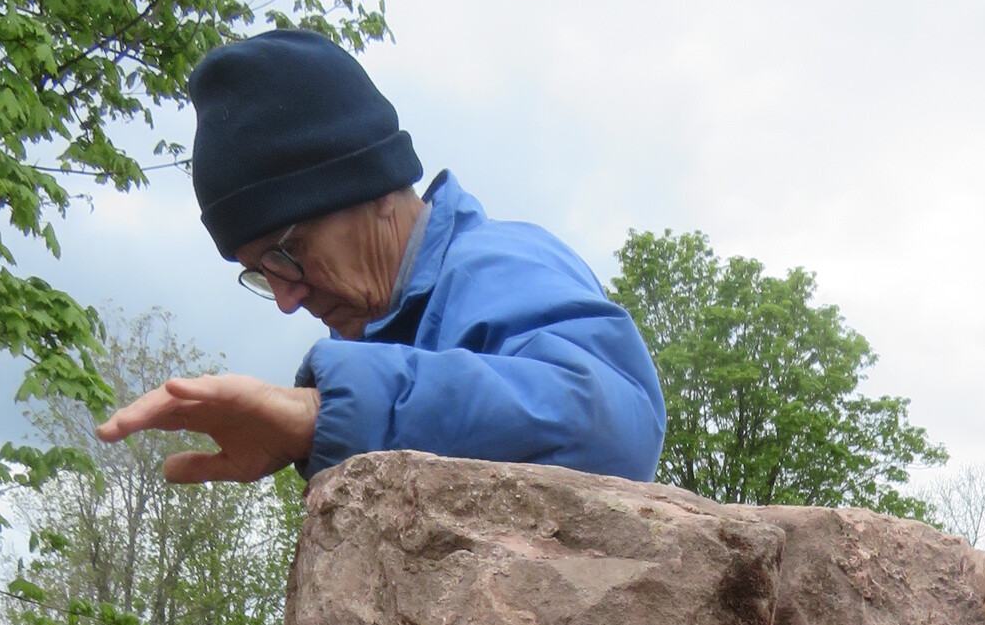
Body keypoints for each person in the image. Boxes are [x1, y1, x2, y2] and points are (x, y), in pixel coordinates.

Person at [97, 29, 666, 486]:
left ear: (374, 190)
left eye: (287, 253)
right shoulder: (380, 338)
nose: (287, 301)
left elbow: (617, 426)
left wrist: (322, 415)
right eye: (262, 274)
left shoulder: (502, 266)